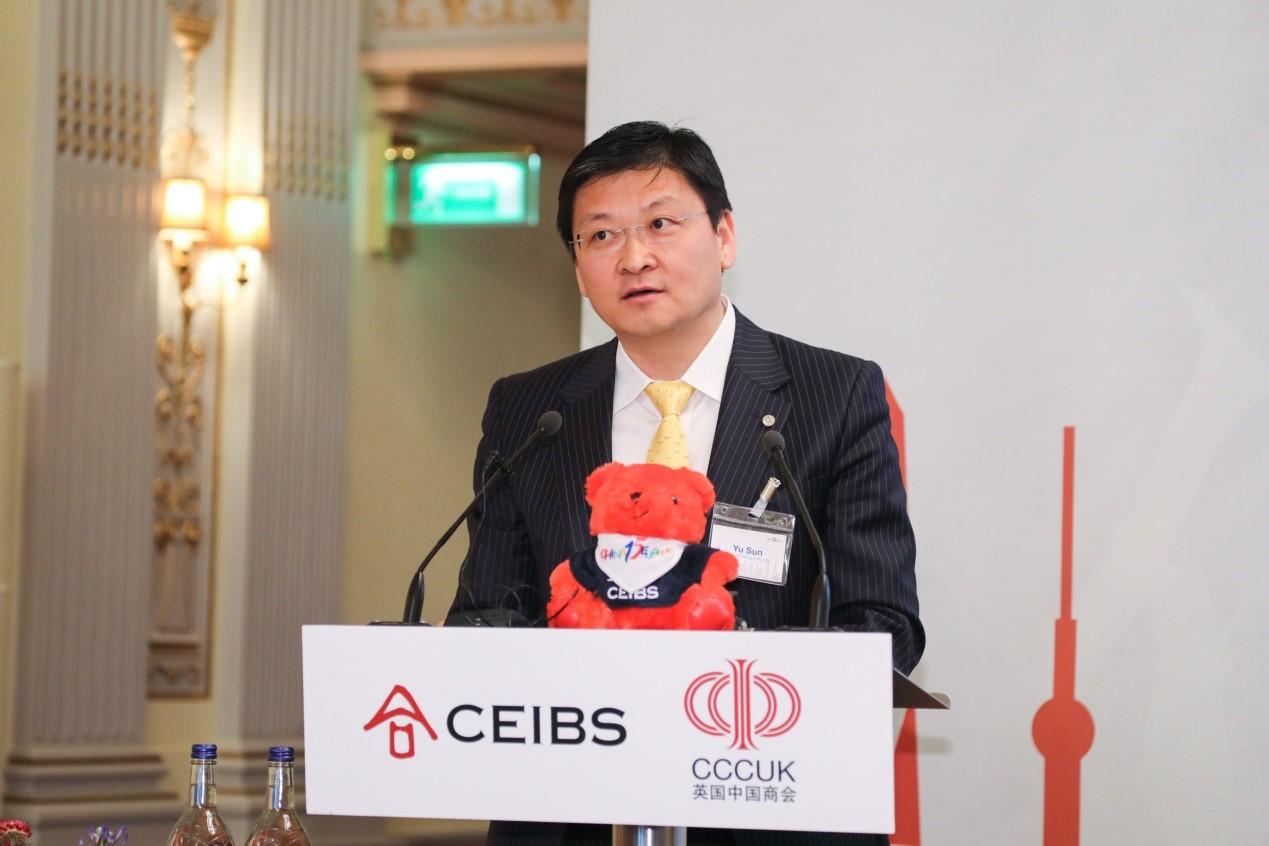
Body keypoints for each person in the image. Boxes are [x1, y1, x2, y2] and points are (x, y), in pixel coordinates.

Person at [448, 121, 923, 846]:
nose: (633, 256)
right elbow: (488, 609)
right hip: (570, 806)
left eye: (660, 224)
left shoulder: (833, 394)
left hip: (768, 811)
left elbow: (883, 626)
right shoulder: (529, 410)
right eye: (599, 235)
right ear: (577, 267)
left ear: (724, 236)